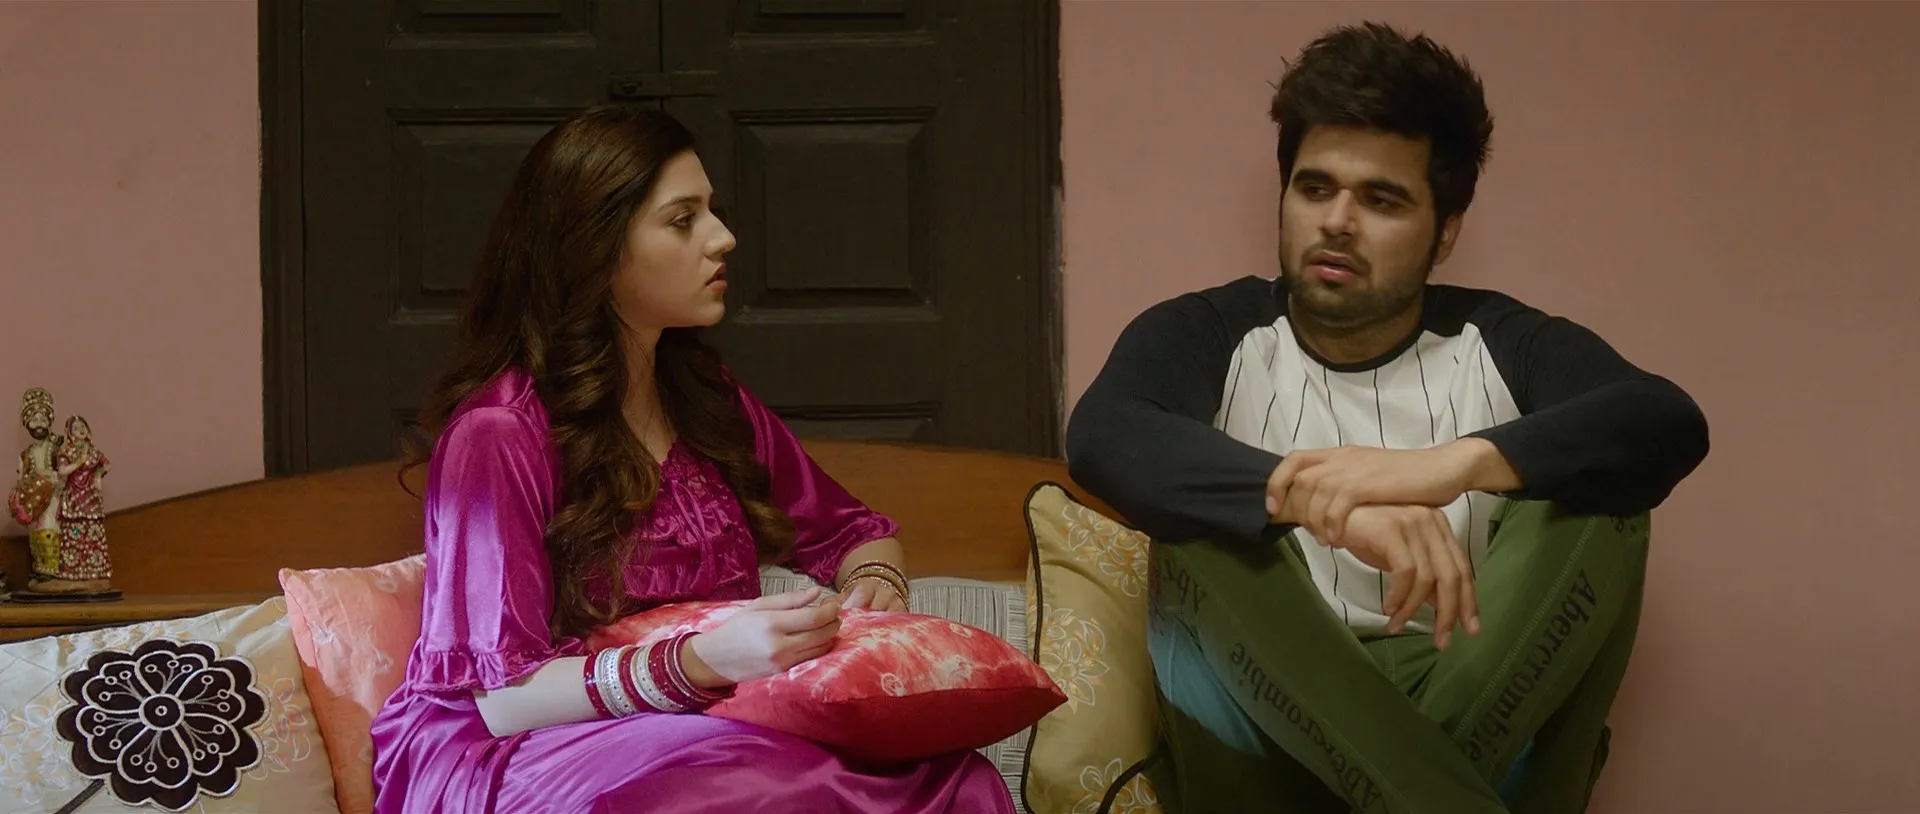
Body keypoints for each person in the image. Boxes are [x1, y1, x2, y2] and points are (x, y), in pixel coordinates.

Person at [1064, 22, 1709, 814]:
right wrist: (1321, 502)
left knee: (1607, 499)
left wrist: (1443, 468)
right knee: (1200, 530)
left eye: (1381, 200)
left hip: (1473, 691)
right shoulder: (1209, 332)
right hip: (1261, 744)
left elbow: (1665, 420)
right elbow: (1105, 436)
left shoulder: (1502, 342)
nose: (1337, 221)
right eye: (1315, 189)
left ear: (1446, 232)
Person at [369, 105, 1017, 814]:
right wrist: (702, 661)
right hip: (511, 746)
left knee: (958, 780)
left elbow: (856, 533)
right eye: (683, 220)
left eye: (712, 211)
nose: (723, 238)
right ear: (595, 250)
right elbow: (501, 698)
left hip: (698, 723)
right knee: (749, 786)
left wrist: (873, 588)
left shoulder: (708, 402)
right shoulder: (499, 433)